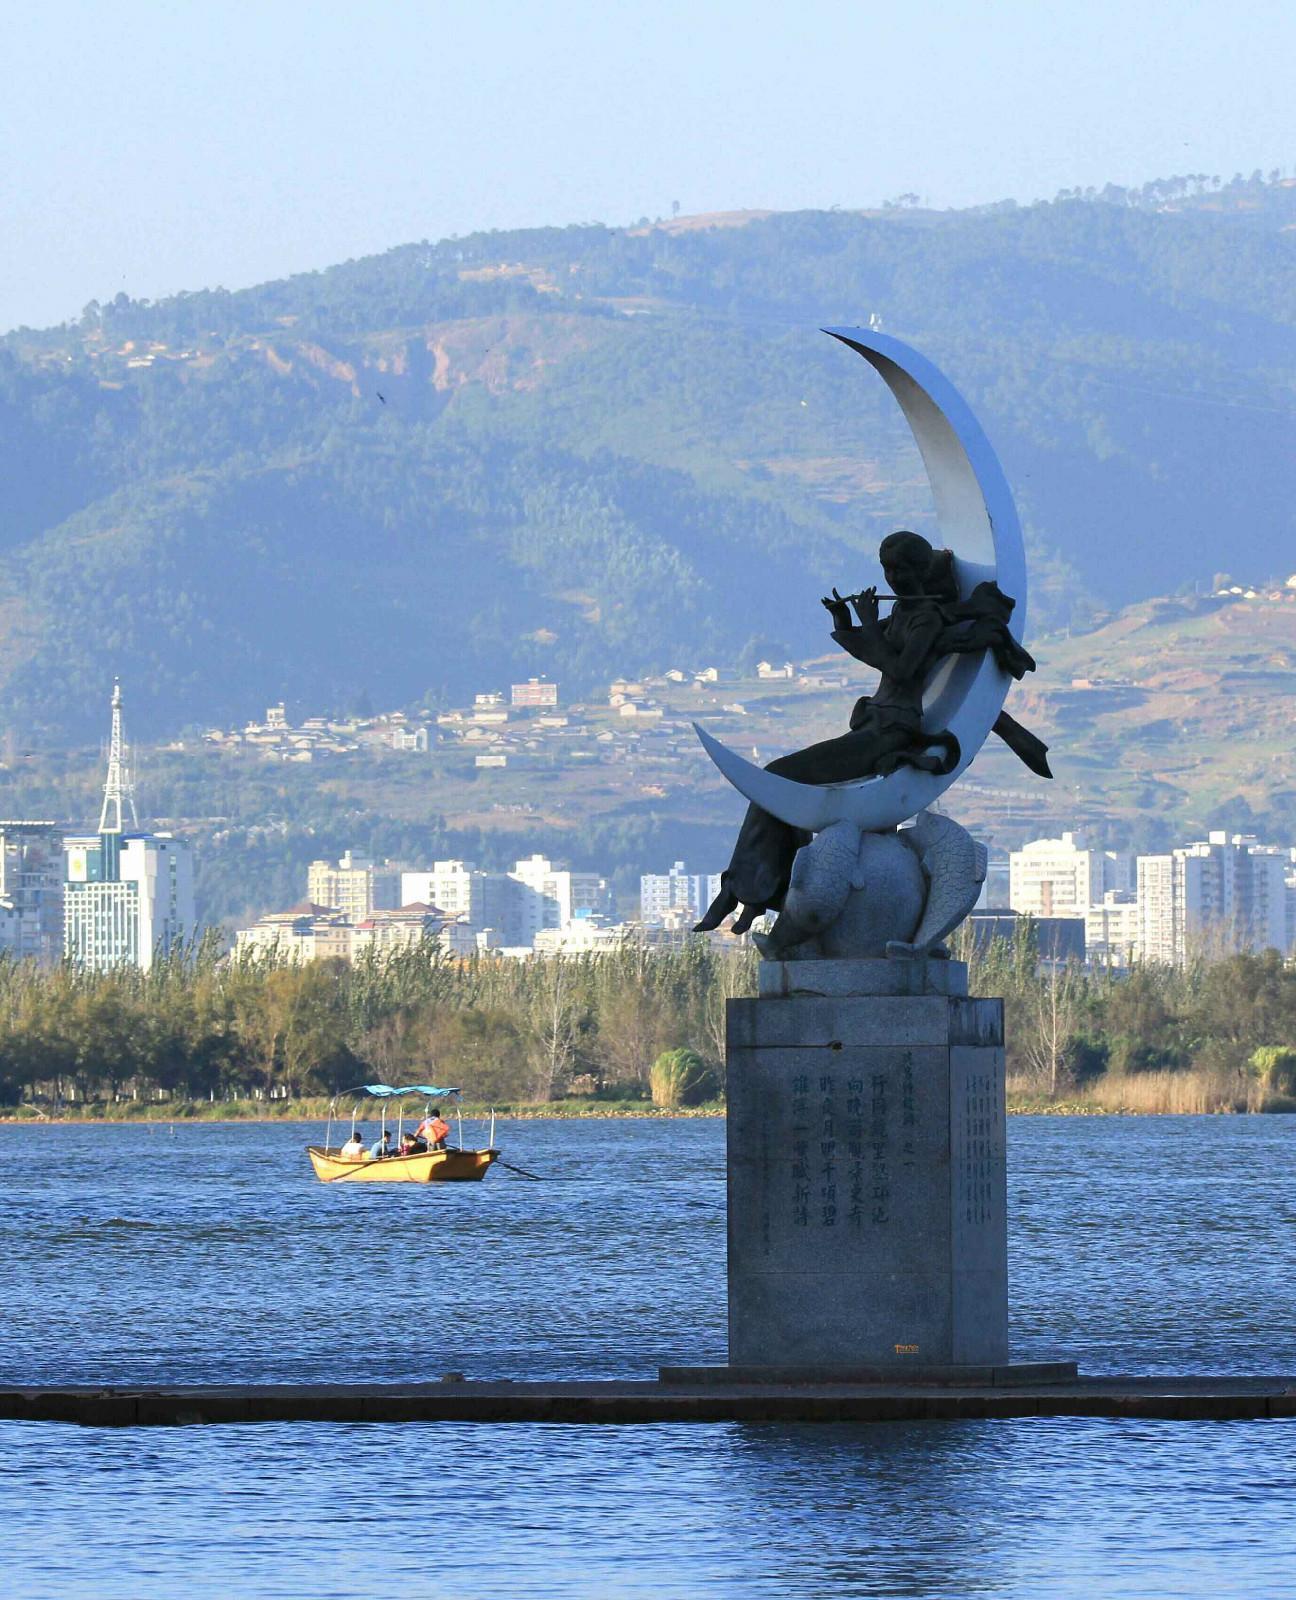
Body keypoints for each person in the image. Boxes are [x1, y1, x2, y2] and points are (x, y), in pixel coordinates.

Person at [695, 530, 1047, 935]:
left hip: (892, 732)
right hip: (873, 722)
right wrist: (846, 624)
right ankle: (752, 889)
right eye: (885, 568)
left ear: (918, 569)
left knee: (777, 778)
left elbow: (900, 669)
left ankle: (749, 890)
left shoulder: (927, 618)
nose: (890, 577)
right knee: (778, 785)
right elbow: (872, 648)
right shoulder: (904, 612)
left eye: (898, 568)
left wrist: (864, 623)